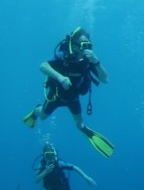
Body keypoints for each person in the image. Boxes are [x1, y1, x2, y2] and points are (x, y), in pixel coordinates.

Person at [23, 27, 114, 158]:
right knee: (42, 117)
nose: (85, 48)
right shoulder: (63, 56)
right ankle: (37, 110)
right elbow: (42, 66)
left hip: (73, 99)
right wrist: (60, 77)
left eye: (88, 45)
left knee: (79, 123)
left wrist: (96, 62)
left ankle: (83, 128)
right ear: (74, 44)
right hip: (55, 96)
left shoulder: (88, 61)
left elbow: (105, 79)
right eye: (83, 45)